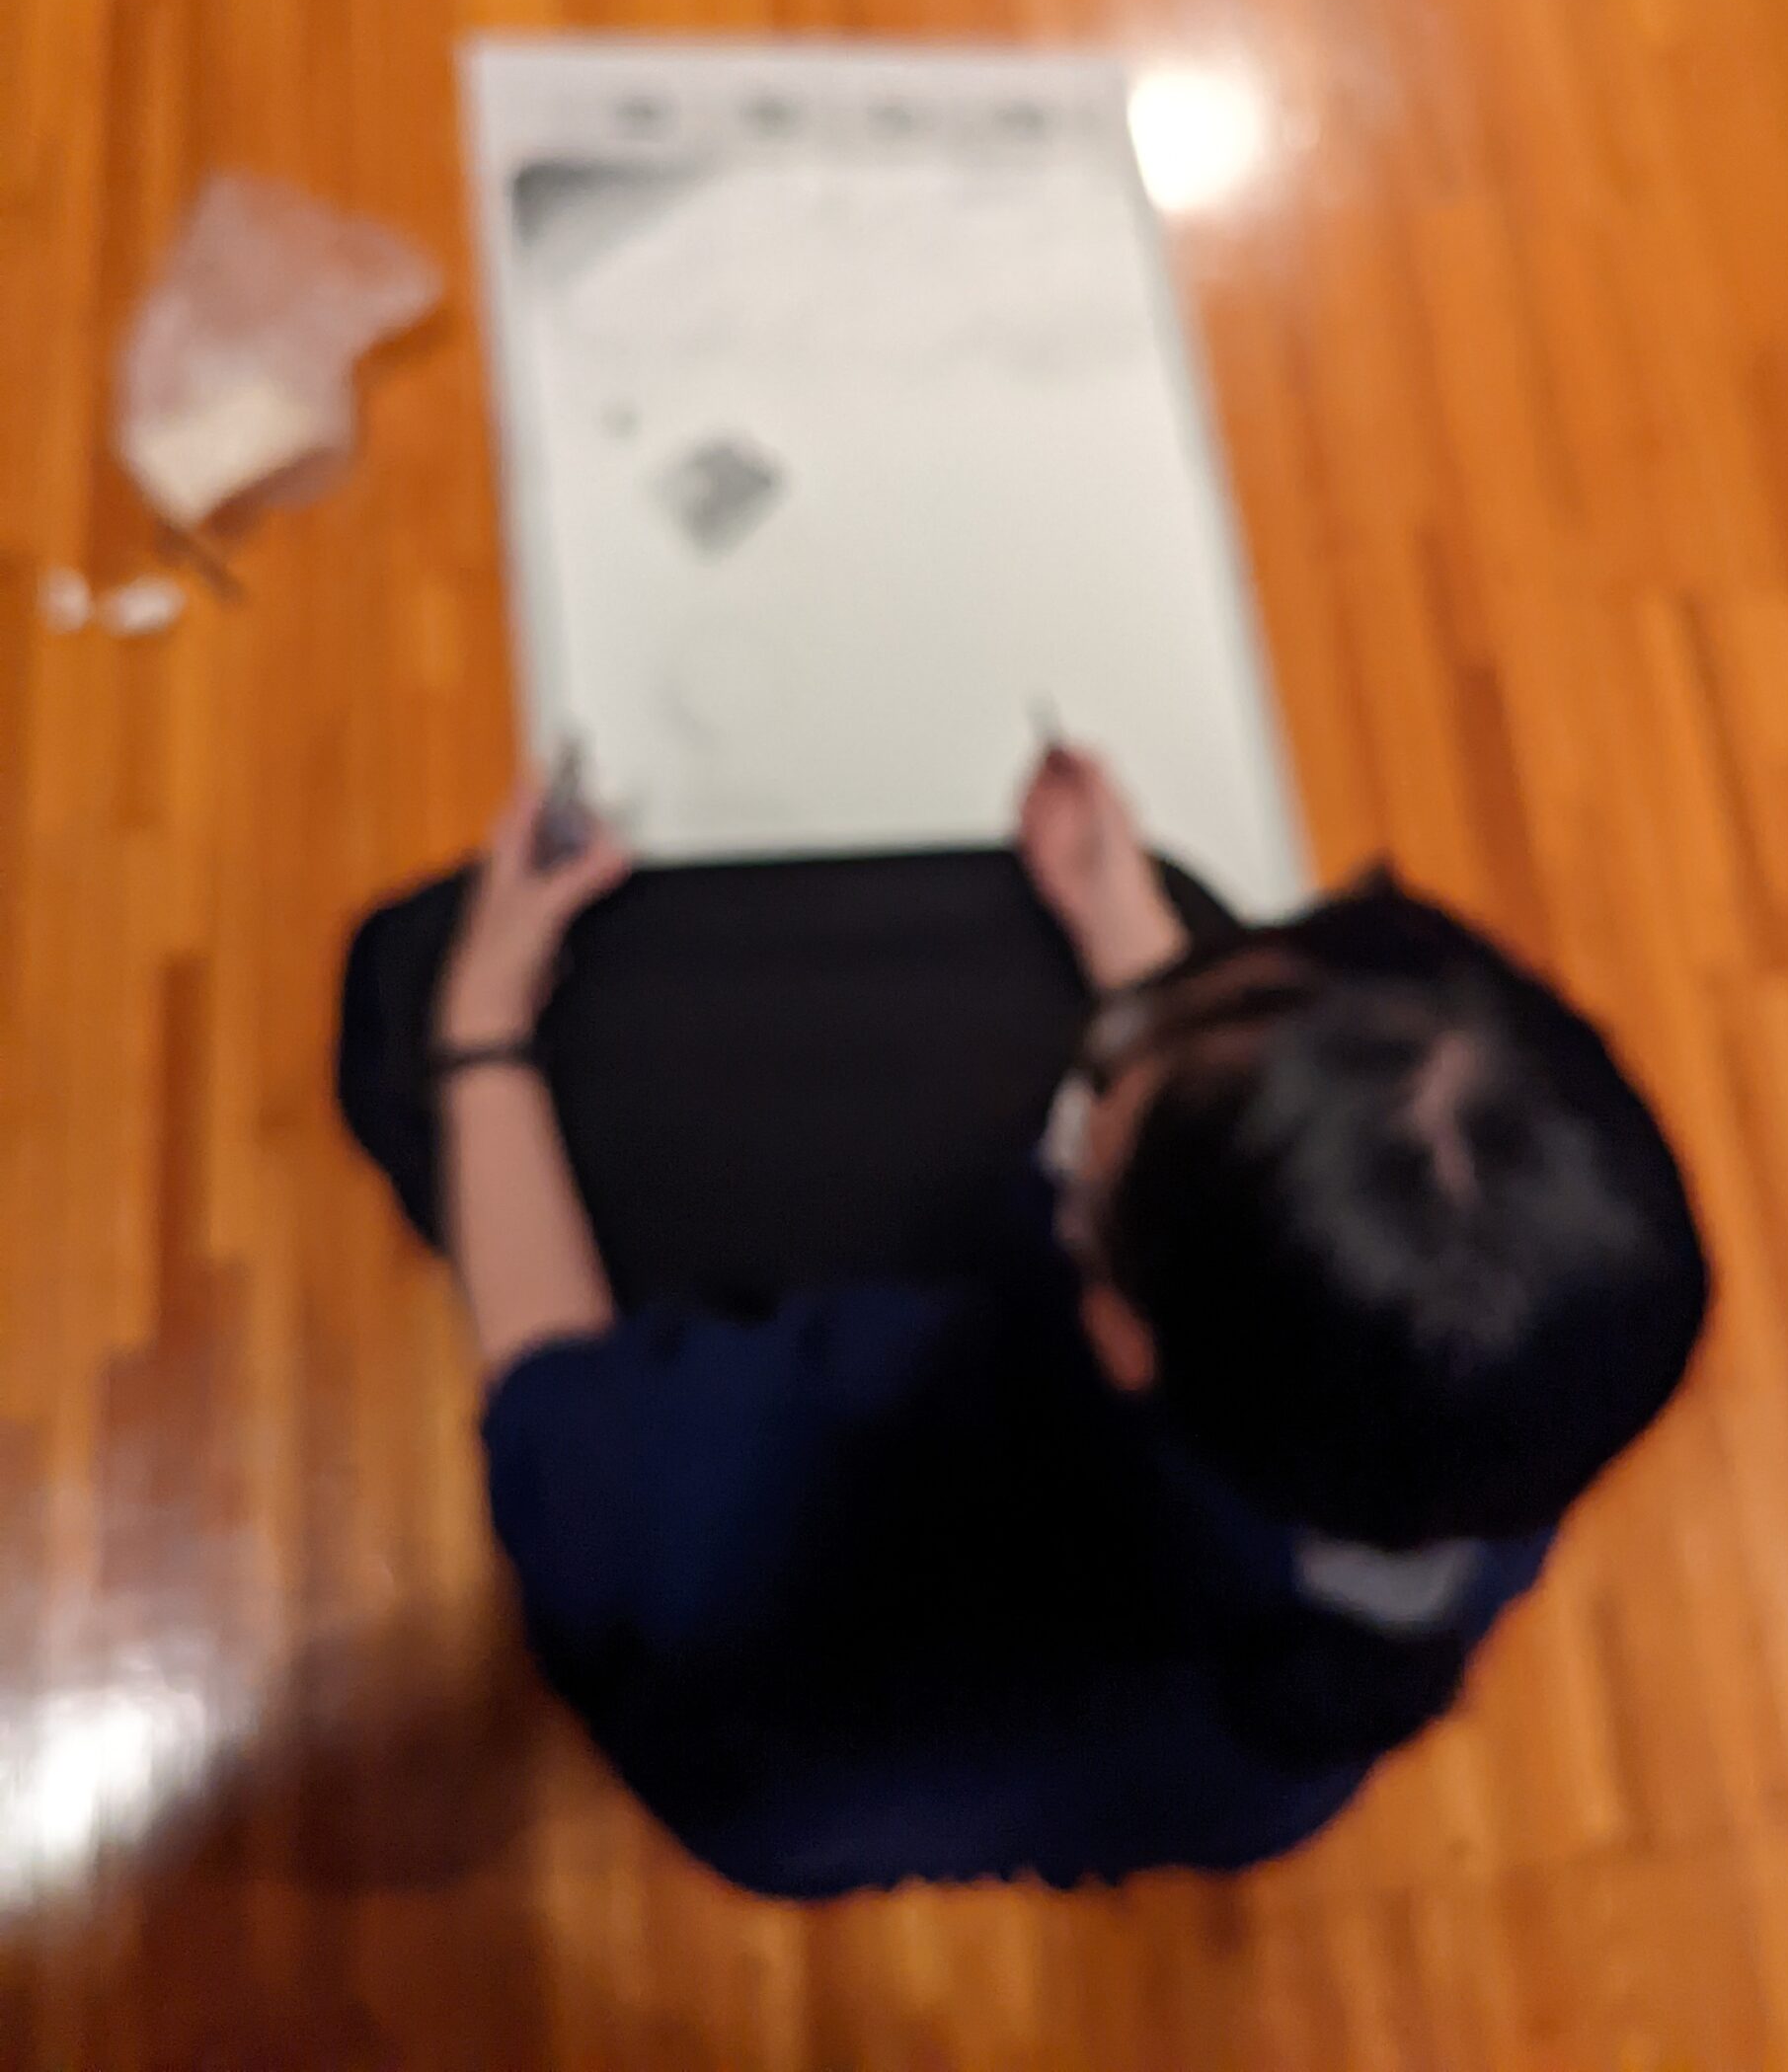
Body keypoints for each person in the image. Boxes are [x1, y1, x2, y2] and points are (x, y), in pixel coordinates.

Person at [430, 751, 1710, 1897]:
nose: (1116, 1055)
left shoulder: (769, 1495)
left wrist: (481, 1021)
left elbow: (555, 1410)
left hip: (784, 1760)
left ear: (1119, 1329)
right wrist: (1126, 930)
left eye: (1106, 1102)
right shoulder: (1493, 1415)